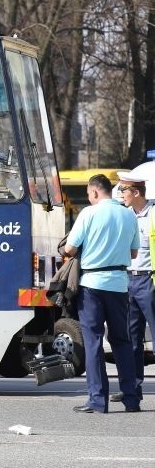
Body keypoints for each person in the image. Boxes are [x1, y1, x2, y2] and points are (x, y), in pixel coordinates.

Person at [64, 174, 140, 413]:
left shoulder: (89, 213)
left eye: (88, 194)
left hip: (92, 285)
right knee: (122, 341)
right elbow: (135, 253)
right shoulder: (129, 214)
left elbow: (69, 248)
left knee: (94, 342)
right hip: (118, 284)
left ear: (95, 192)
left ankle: (97, 401)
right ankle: (131, 399)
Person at [109, 175, 155, 403]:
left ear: (136, 192)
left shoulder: (154, 214)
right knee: (132, 339)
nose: (120, 195)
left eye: (123, 190)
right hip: (128, 281)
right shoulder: (125, 216)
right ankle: (133, 388)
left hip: (150, 281)